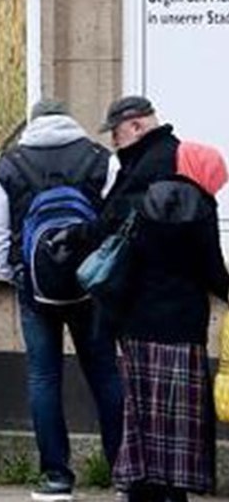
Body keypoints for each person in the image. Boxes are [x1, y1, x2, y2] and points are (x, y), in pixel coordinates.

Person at [0, 99, 122, 502]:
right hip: (91, 288)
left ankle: (56, 477)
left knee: (43, 378)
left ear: (32, 124)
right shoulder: (100, 159)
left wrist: (20, 276)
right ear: (69, 121)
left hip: (36, 290)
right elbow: (119, 224)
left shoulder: (9, 163)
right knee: (106, 375)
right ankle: (124, 473)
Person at [96, 96, 228, 502]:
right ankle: (174, 491)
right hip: (182, 324)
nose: (115, 143)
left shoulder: (142, 187)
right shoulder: (197, 204)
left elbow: (115, 236)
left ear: (135, 126)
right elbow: (210, 269)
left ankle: (143, 487)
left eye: (116, 133)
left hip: (137, 319)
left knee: (144, 415)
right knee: (179, 420)